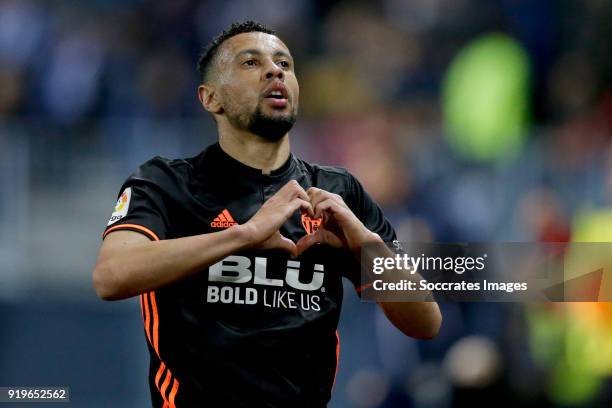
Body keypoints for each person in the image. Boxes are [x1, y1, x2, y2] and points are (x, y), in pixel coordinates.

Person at [93, 20, 441, 408]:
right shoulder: (166, 183)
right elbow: (111, 276)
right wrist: (242, 235)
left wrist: (367, 247)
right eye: (250, 63)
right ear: (211, 99)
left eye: (285, 64)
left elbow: (425, 322)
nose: (275, 71)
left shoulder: (336, 193)